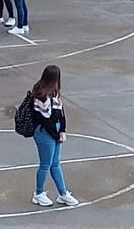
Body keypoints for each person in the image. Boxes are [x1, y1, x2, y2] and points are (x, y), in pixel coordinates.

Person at [30, 65, 79, 207]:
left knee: (55, 163)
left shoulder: (54, 92)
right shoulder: (41, 95)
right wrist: (56, 134)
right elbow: (45, 120)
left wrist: (62, 130)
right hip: (44, 132)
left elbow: (60, 113)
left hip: (54, 130)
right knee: (46, 165)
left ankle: (63, 194)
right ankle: (39, 193)